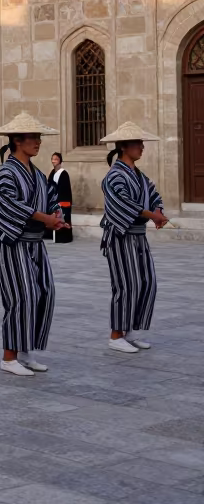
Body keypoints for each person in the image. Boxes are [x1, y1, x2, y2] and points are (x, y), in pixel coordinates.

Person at [0, 112, 66, 377]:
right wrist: (44, 218)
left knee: (45, 292)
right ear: (17, 141)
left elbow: (51, 196)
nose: (38, 142)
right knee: (22, 296)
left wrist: (57, 216)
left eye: (38, 137)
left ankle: (25, 350)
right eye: (33, 137)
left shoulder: (36, 172)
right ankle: (8, 356)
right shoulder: (7, 172)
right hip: (14, 242)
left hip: (35, 243)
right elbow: (10, 204)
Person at [100, 122, 167, 354]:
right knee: (126, 284)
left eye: (141, 143)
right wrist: (153, 215)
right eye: (138, 143)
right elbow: (126, 204)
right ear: (123, 147)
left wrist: (158, 210)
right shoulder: (114, 176)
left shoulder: (140, 175)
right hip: (120, 234)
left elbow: (154, 194)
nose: (142, 147)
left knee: (147, 282)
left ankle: (131, 331)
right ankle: (116, 333)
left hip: (138, 236)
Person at [45, 152, 73, 244]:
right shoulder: (52, 172)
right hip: (54, 200)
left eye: (56, 159)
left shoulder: (63, 173)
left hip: (62, 200)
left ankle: (64, 237)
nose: (53, 161)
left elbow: (64, 189)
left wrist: (60, 200)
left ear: (60, 160)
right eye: (52, 159)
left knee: (64, 218)